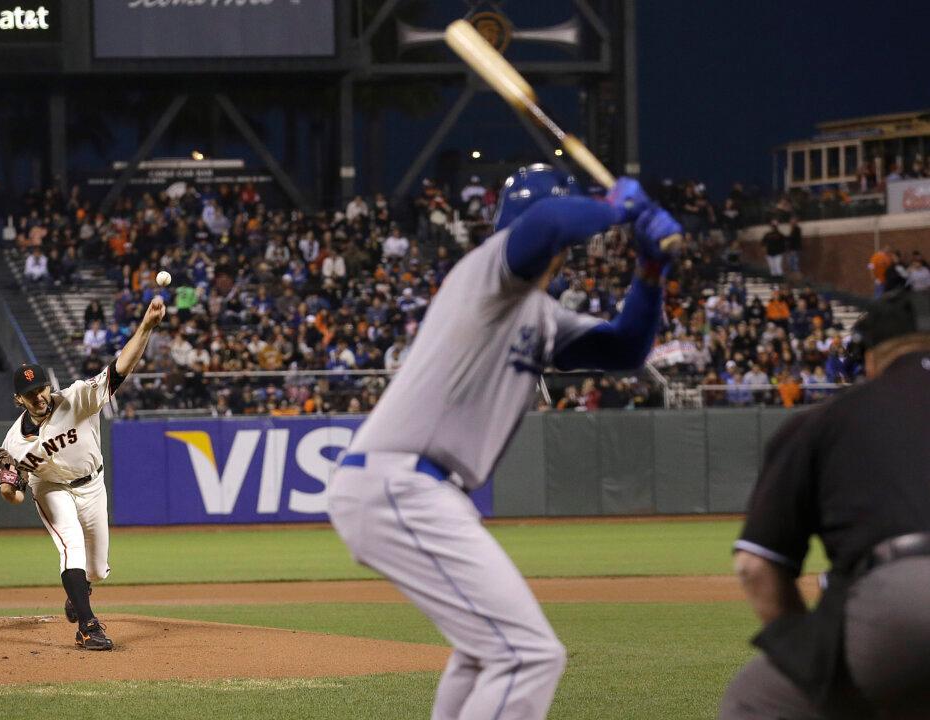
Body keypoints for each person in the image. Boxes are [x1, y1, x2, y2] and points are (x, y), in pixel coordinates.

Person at [327, 164, 680, 720]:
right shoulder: (488, 272)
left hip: (425, 491)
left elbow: (625, 349)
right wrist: (618, 209)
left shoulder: (537, 312)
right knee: (530, 656)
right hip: (398, 481)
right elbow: (548, 222)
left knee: (482, 654)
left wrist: (651, 270)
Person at [719, 287, 930, 719]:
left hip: (902, 605)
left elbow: (755, 566)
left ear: (870, 359)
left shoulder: (826, 420)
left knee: (754, 701)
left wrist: (813, 660)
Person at [0, 296, 166, 651]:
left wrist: (145, 327)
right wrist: (7, 487)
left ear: (48, 385)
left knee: (96, 570)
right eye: (28, 394)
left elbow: (119, 369)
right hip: (51, 487)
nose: (37, 396)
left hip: (92, 484)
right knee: (70, 545)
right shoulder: (14, 442)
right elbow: (16, 494)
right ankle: (88, 626)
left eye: (40, 388)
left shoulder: (77, 398)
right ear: (18, 400)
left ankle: (78, 592)